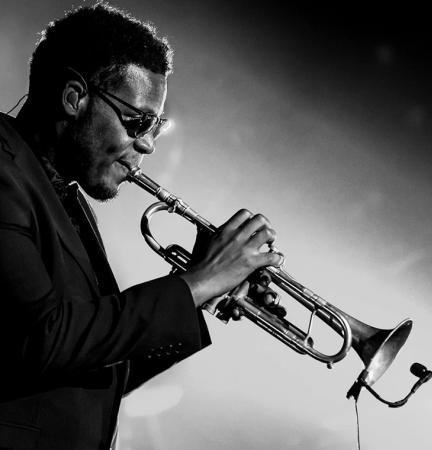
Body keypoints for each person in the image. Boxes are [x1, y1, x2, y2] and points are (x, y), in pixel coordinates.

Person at [0, 3, 282, 449]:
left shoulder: (67, 197)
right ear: (74, 97)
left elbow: (99, 367)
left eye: (157, 126)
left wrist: (201, 294)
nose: (148, 144)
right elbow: (40, 340)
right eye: (138, 122)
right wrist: (197, 281)